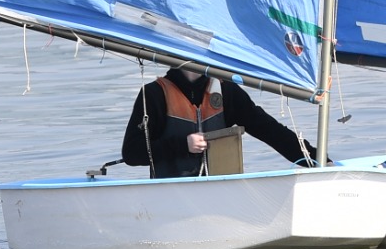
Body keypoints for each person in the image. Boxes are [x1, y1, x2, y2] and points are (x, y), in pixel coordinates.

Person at [121, 63, 313, 179]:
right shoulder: (154, 94)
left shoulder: (226, 91)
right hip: (172, 195)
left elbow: (270, 131)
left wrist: (317, 159)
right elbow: (131, 153)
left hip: (220, 193)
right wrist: (182, 145)